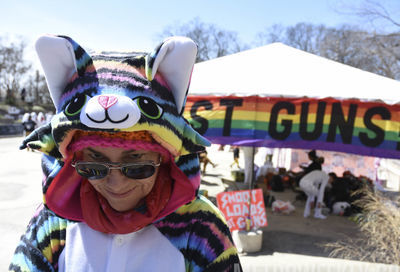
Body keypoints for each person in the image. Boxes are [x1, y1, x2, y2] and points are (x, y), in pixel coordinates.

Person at [9, 35, 241, 271]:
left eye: (137, 165)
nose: (116, 184)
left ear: (165, 158)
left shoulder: (201, 226)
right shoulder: (53, 222)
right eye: (94, 166)